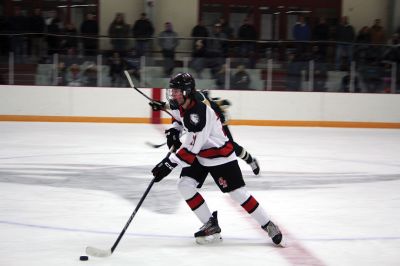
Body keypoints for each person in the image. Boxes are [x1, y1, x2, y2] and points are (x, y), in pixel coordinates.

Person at [150, 73, 283, 246]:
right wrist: (173, 128)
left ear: (187, 91)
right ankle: (210, 224)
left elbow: (191, 148)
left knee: (238, 194)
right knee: (184, 185)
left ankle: (268, 224)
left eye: (176, 91)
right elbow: (177, 115)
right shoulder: (185, 101)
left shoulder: (199, 114)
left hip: (219, 156)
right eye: (172, 91)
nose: (172, 94)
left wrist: (168, 164)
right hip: (201, 153)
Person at [149, 75, 260, 175]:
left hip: (216, 123)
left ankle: (250, 160)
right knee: (201, 146)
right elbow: (179, 107)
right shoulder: (186, 98)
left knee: (230, 146)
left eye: (176, 90)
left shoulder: (199, 101)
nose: (174, 93)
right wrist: (163, 105)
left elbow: (201, 117)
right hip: (204, 122)